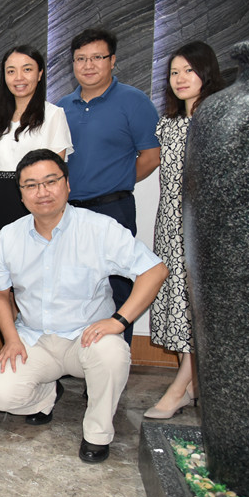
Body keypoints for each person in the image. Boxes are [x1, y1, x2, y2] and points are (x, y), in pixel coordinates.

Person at [0, 150, 167, 463]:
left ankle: (97, 433)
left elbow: (155, 270)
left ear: (67, 184)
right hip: (35, 339)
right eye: (31, 185)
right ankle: (46, 395)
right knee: (0, 394)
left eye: (50, 181)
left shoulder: (99, 228)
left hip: (87, 339)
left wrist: (119, 321)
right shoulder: (9, 236)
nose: (42, 192)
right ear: (21, 195)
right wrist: (11, 338)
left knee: (112, 353)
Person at [57, 27, 160, 344]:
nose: (88, 65)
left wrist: (118, 179)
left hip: (113, 208)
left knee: (119, 289)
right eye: (80, 59)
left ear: (112, 60)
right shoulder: (61, 106)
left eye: (97, 57)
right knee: (71, 288)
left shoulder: (134, 101)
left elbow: (151, 156)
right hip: (67, 212)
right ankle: (74, 357)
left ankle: (116, 360)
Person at [144, 41, 226, 420]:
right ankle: (193, 385)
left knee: (195, 308)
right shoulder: (168, 125)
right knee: (176, 305)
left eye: (188, 71)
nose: (180, 78)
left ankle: (178, 390)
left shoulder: (217, 122)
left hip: (202, 228)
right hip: (169, 226)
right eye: (174, 72)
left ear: (206, 73)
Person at [0, 46, 73, 244]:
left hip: (37, 202)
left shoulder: (53, 115)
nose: (18, 78)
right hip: (0, 202)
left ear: (40, 74)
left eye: (27, 69)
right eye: (11, 71)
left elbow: (57, 175)